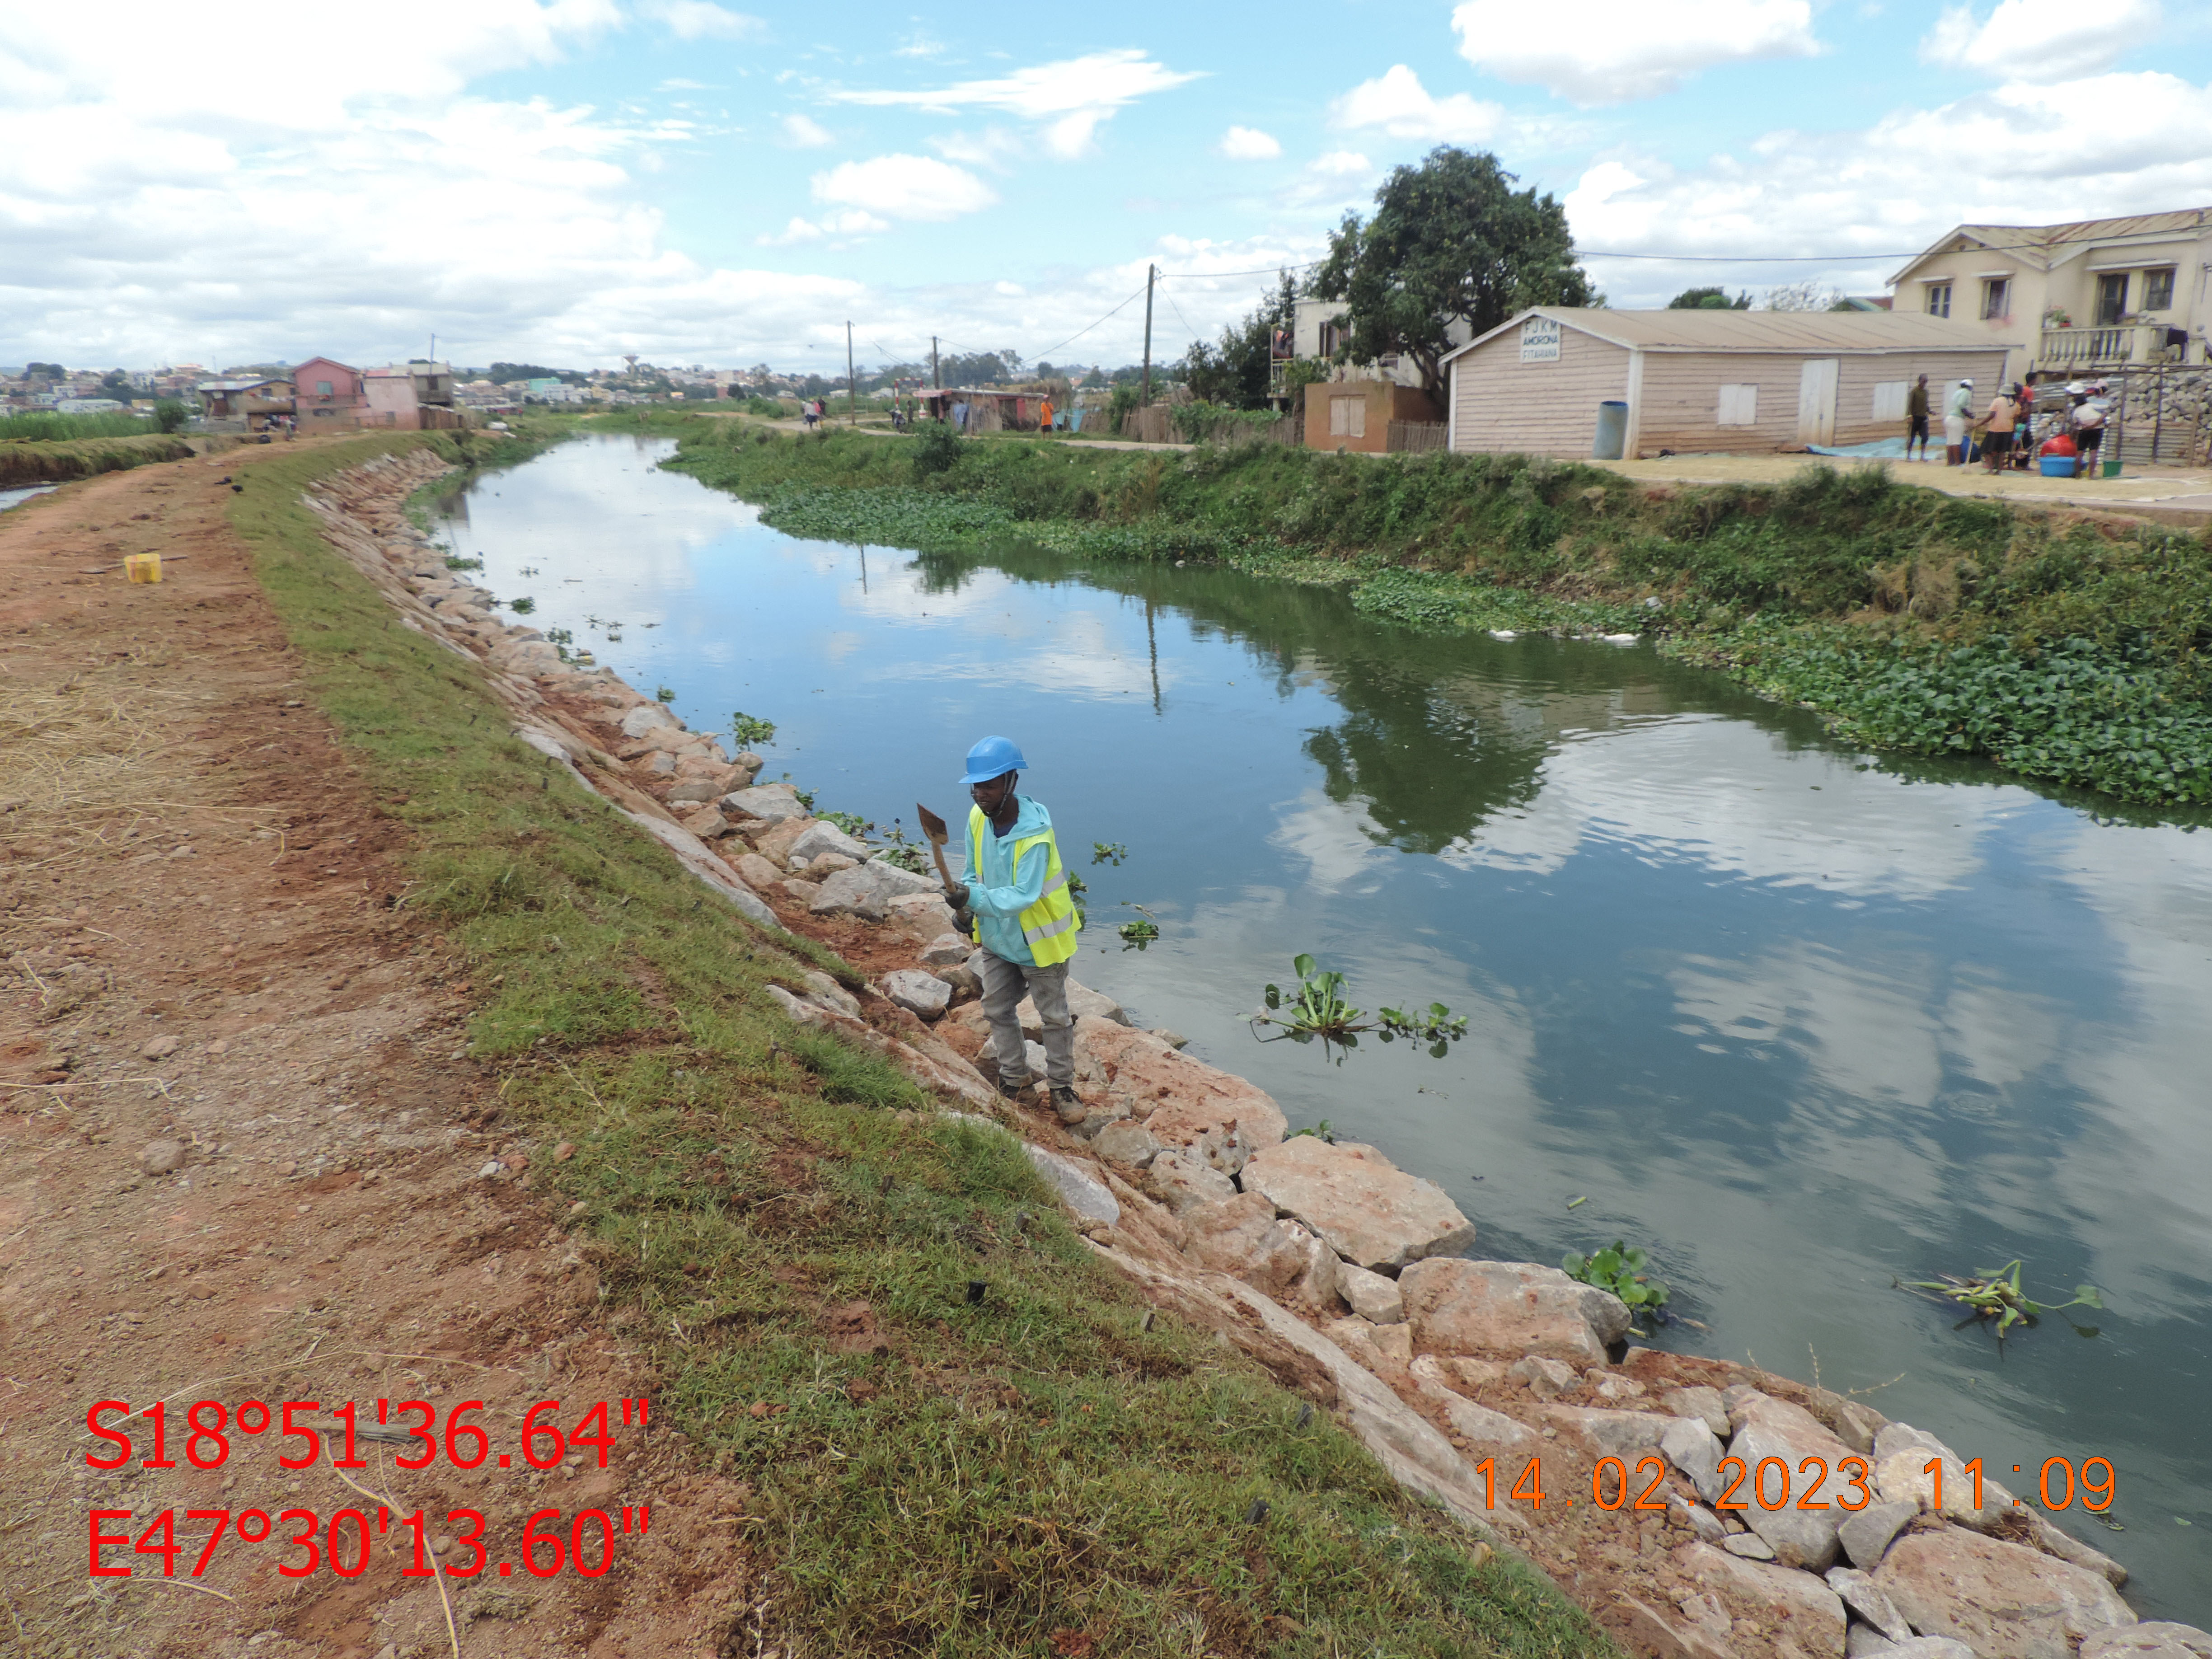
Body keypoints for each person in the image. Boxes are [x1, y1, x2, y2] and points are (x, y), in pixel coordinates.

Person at [940, 736, 1085, 1123]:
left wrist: (974, 898)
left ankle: (1061, 1087)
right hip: (997, 938)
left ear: (1011, 782)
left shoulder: (1034, 835)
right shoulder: (977, 818)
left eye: (988, 786)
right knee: (996, 1008)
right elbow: (973, 872)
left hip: (1039, 942)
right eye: (975, 786)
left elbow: (1023, 895)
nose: (979, 794)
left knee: (1053, 1017)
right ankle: (1015, 1080)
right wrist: (966, 906)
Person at [2071, 381, 2106, 480]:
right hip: (2097, 430)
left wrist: (2073, 436)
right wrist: (2095, 424)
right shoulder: (2093, 406)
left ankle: (2078, 475)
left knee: (2080, 453)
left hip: (2083, 431)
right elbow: (2104, 414)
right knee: (2093, 452)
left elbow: (2075, 424)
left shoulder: (2076, 411)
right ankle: (2091, 475)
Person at [1979, 384, 2017, 474]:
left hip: (1996, 429)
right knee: (2002, 451)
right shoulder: (2016, 404)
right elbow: (2016, 418)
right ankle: (1999, 471)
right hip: (2009, 429)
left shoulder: (1997, 401)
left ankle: (1991, 470)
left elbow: (1992, 415)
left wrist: (1979, 424)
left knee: (1985, 450)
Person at [1944, 378, 1974, 466]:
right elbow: (1961, 405)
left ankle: (1950, 462)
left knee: (1950, 441)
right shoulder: (1966, 392)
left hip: (1949, 418)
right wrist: (1969, 415)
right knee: (1957, 441)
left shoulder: (1957, 392)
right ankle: (1957, 463)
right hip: (1957, 419)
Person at [1906, 374, 1931, 461]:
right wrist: (1909, 416)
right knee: (1912, 437)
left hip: (1923, 417)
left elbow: (1926, 404)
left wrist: (1930, 411)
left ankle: (1922, 456)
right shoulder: (1914, 392)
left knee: (1925, 437)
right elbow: (1910, 405)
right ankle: (1908, 456)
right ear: (1919, 381)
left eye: (1926, 382)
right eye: (1923, 381)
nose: (1924, 383)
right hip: (1915, 417)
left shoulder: (1926, 393)